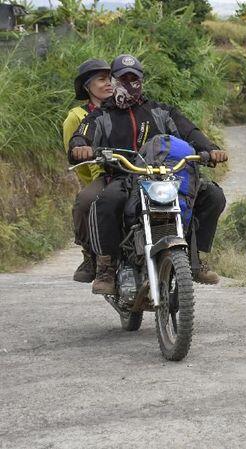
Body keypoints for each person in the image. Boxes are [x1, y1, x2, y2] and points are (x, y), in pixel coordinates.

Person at [68, 54, 228, 295]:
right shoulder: (101, 115)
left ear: (141, 81)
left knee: (213, 195)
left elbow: (189, 131)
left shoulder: (160, 111)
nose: (129, 84)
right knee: (105, 201)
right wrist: (80, 146)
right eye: (123, 79)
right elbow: (82, 134)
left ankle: (195, 257)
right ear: (114, 80)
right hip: (124, 176)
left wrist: (211, 149)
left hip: (163, 175)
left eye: (134, 79)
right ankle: (105, 266)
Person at [63, 59, 113, 283]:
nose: (109, 83)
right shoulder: (76, 117)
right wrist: (95, 178)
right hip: (101, 175)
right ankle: (90, 255)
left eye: (110, 78)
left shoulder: (123, 109)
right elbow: (76, 158)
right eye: (102, 79)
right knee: (84, 201)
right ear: (87, 86)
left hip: (131, 170)